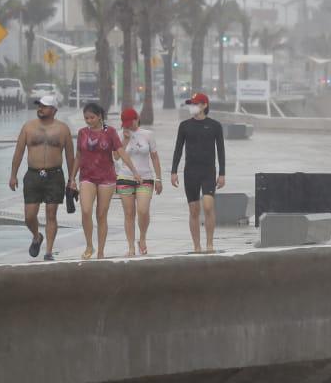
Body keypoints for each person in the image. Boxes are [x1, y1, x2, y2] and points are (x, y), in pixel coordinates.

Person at [9, 93, 76, 261]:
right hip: (33, 175)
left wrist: (72, 179)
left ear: (54, 110)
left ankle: (49, 251)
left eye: (44, 106)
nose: (40, 108)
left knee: (51, 214)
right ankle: (36, 236)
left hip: (55, 175)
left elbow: (70, 156)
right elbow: (19, 151)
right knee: (29, 216)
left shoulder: (63, 129)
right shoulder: (28, 127)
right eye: (39, 105)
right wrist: (13, 175)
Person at [76, 102, 141, 259]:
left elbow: (120, 153)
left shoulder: (110, 132)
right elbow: (78, 156)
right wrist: (71, 177)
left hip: (106, 178)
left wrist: (134, 171)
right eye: (86, 118)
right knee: (85, 210)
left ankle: (101, 251)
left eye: (92, 117)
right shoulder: (82, 133)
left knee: (101, 214)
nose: (89, 121)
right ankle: (89, 245)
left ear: (99, 117)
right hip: (87, 176)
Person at [170, 92, 225, 253]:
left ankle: (210, 244)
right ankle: (197, 246)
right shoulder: (185, 126)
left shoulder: (215, 126)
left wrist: (222, 173)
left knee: (208, 206)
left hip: (208, 171)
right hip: (190, 172)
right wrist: (174, 171)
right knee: (194, 210)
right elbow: (178, 149)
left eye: (195, 103)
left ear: (204, 105)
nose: (192, 106)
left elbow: (220, 151)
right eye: (191, 104)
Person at [118, 107, 163, 256]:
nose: (127, 126)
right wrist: (125, 139)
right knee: (129, 213)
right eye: (124, 123)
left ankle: (142, 238)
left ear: (136, 119)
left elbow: (154, 157)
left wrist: (158, 178)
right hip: (125, 177)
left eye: (129, 122)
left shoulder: (148, 135)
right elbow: (116, 157)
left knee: (143, 210)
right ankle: (131, 246)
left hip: (145, 178)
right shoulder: (120, 135)